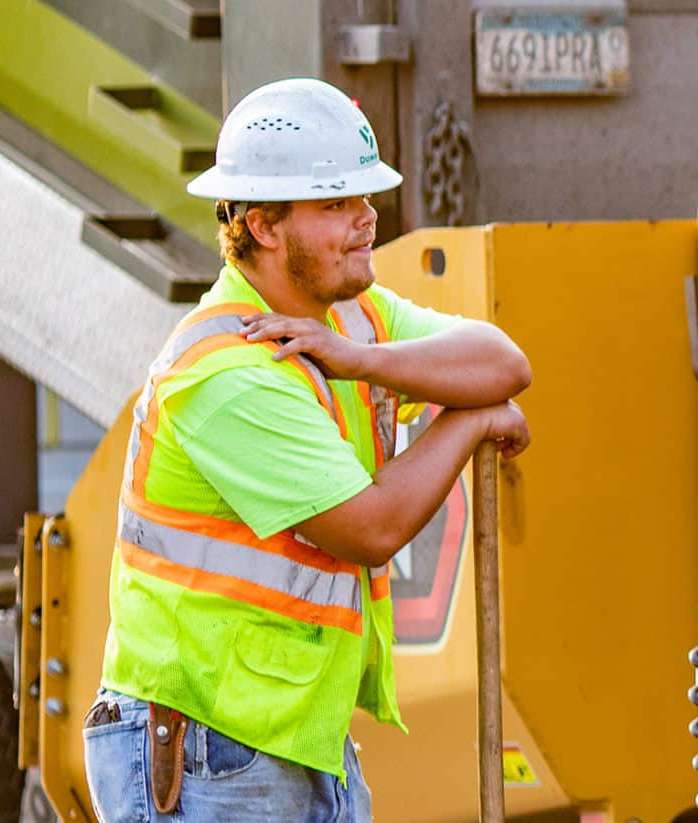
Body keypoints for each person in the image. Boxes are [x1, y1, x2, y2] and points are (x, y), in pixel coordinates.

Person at [83, 77, 533, 821]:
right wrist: (471, 423)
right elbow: (372, 526)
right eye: (336, 204)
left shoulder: (348, 319)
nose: (367, 220)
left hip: (287, 739)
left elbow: (504, 362)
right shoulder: (226, 371)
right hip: (208, 750)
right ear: (263, 225)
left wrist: (357, 359)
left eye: (364, 198)